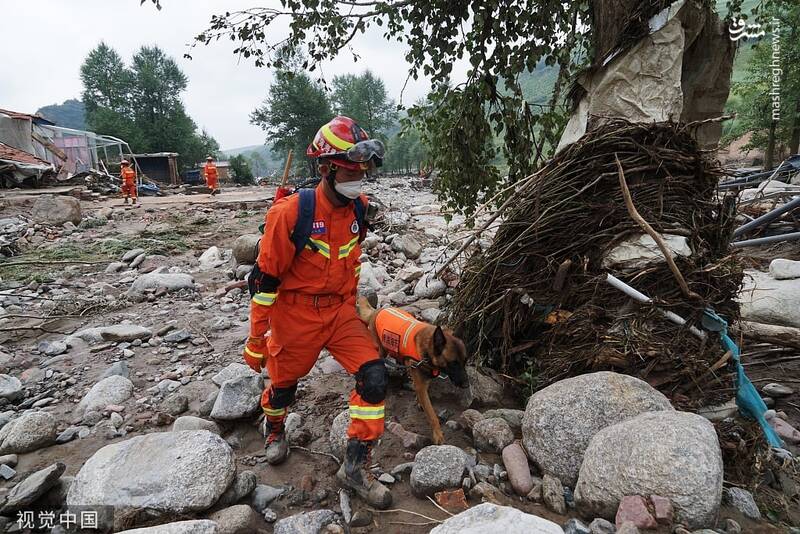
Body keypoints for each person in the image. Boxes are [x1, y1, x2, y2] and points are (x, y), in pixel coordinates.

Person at [243, 116, 391, 508]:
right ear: (325, 168)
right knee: (283, 388)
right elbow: (264, 283)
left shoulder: (359, 208)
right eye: (349, 168)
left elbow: (351, 265)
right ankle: (274, 429)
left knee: (375, 378)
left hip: (341, 313)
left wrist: (360, 310)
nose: (357, 175)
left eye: (362, 169)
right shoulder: (291, 213)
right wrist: (256, 339)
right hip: (296, 316)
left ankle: (355, 468)